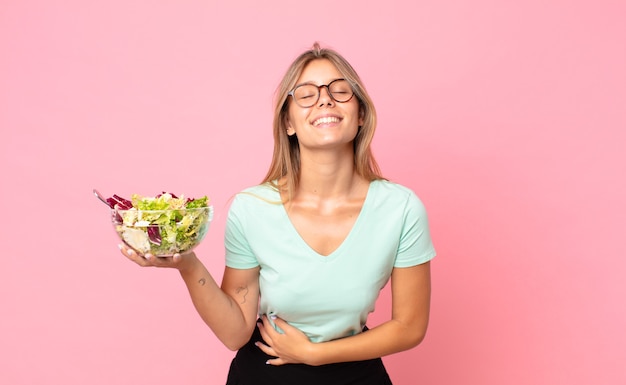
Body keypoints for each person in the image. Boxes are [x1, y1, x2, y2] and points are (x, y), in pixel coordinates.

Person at [119, 42, 436, 385]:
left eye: (340, 91)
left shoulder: (401, 208)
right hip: (264, 374)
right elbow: (235, 333)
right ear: (288, 122)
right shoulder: (252, 208)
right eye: (306, 94)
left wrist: (315, 354)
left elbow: (410, 327)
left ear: (361, 115)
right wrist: (187, 264)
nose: (325, 99)